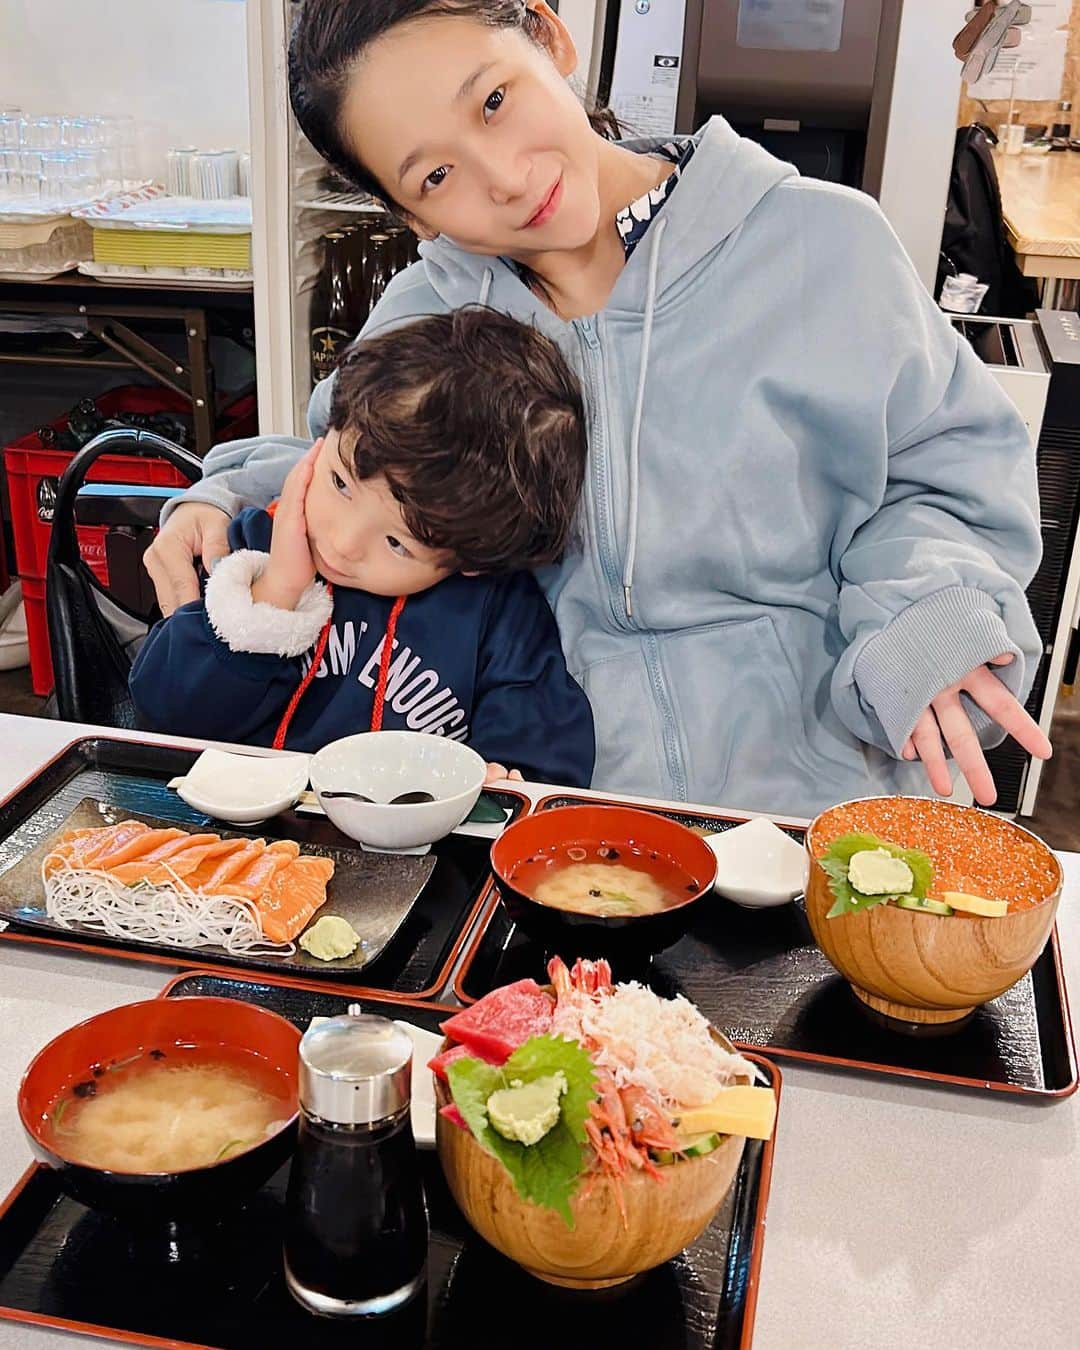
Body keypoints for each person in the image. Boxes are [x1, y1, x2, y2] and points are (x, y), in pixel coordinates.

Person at [145, 0, 1050, 821]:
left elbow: (945, 473)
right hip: (555, 824)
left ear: (547, 35)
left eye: (493, 100)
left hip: (813, 813)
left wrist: (922, 613)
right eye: (435, 177)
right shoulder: (433, 313)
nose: (502, 177)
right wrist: (218, 496)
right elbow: (348, 460)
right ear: (408, 216)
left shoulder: (825, 241)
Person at [131, 309, 595, 787]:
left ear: (473, 560)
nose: (343, 542)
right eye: (340, 482)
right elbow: (163, 710)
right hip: (244, 845)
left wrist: (506, 781)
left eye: (397, 542)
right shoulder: (254, 553)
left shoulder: (499, 615)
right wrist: (275, 593)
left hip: (415, 851)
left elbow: (545, 756)